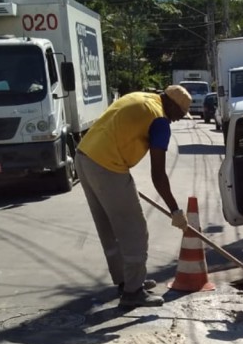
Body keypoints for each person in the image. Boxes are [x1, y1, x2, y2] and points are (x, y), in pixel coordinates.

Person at [74, 86, 191, 309]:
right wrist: (175, 210)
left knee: (109, 228)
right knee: (135, 230)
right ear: (171, 104)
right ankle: (133, 292)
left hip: (84, 157)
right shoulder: (160, 120)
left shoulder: (139, 97)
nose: (178, 119)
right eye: (180, 113)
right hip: (107, 166)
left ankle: (127, 281)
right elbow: (158, 174)